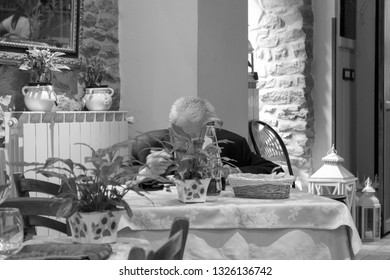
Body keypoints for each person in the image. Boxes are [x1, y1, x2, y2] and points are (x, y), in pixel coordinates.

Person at [131, 96, 283, 188]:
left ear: (209, 127)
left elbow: (274, 170)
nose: (180, 141)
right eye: (175, 133)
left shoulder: (232, 144)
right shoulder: (147, 144)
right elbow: (117, 181)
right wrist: (146, 172)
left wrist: (234, 172)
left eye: (189, 136)